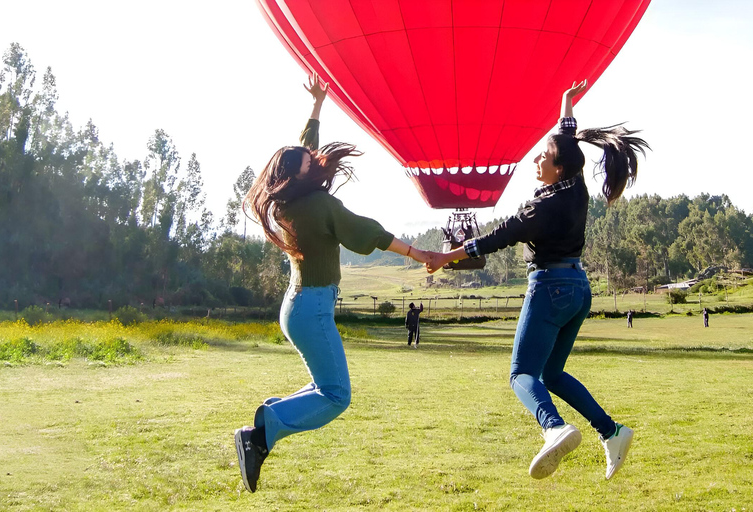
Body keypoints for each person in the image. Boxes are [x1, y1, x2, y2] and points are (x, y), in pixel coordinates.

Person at [426, 80, 649, 480]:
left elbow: (491, 240)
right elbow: (565, 136)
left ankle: (553, 427)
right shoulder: (576, 187)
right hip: (580, 288)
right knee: (553, 373)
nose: (535, 160)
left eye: (541, 156)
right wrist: (565, 103)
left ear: (557, 167)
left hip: (550, 288)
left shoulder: (539, 208)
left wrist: (446, 257)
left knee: (521, 375)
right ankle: (612, 432)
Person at [235, 72, 433, 493]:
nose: (317, 158)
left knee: (321, 387)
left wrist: (316, 107)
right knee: (336, 395)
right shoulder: (320, 205)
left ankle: (265, 423)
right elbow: (365, 232)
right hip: (312, 308)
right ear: (300, 175)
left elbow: (299, 151)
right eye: (311, 161)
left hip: (298, 307)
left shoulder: (286, 200)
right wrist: (417, 253)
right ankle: (264, 429)